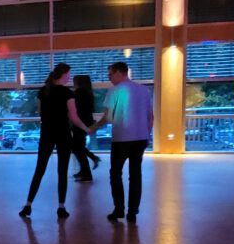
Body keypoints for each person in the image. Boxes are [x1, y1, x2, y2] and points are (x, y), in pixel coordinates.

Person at [18, 63, 93, 219]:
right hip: (63, 134)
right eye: (68, 75)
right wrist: (86, 128)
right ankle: (61, 207)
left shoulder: (43, 91)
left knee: (39, 170)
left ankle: (28, 205)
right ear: (63, 75)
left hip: (47, 134)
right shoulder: (67, 93)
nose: (69, 78)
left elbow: (40, 112)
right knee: (62, 171)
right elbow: (73, 117)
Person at [91, 61, 154, 224]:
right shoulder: (144, 90)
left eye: (110, 74)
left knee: (115, 173)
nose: (109, 77)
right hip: (140, 138)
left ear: (120, 72)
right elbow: (150, 116)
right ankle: (132, 212)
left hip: (121, 139)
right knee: (135, 175)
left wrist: (94, 127)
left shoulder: (114, 90)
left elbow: (108, 117)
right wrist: (146, 134)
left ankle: (119, 209)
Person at [71, 75, 101, 182]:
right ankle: (86, 167)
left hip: (80, 122)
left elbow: (76, 108)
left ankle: (86, 173)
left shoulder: (80, 92)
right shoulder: (88, 92)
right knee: (78, 146)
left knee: (77, 147)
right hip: (86, 122)